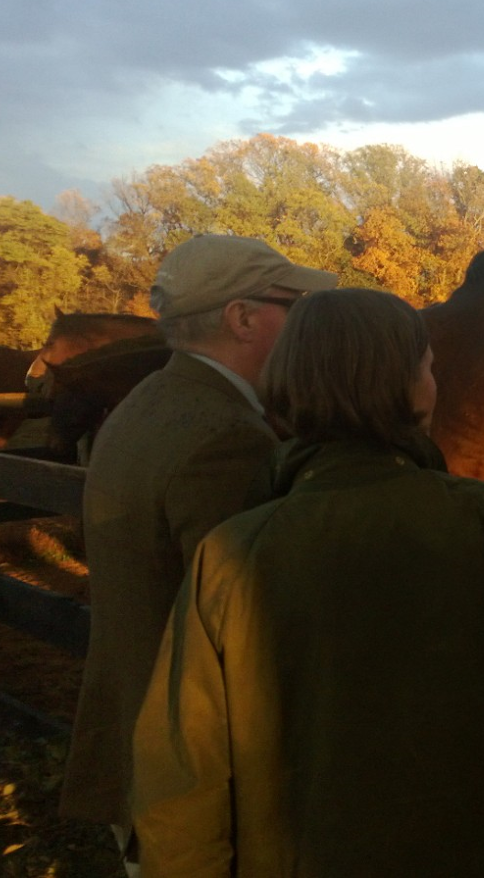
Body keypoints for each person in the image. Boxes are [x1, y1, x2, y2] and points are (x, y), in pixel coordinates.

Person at [131, 288, 484, 877]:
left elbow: (183, 773)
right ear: (409, 387)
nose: (435, 379)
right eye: (428, 365)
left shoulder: (234, 551)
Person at [60, 235, 339, 874]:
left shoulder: (149, 403)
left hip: (138, 748)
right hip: (197, 778)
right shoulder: (226, 439)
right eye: (292, 307)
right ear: (243, 318)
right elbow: (253, 634)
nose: (304, 326)